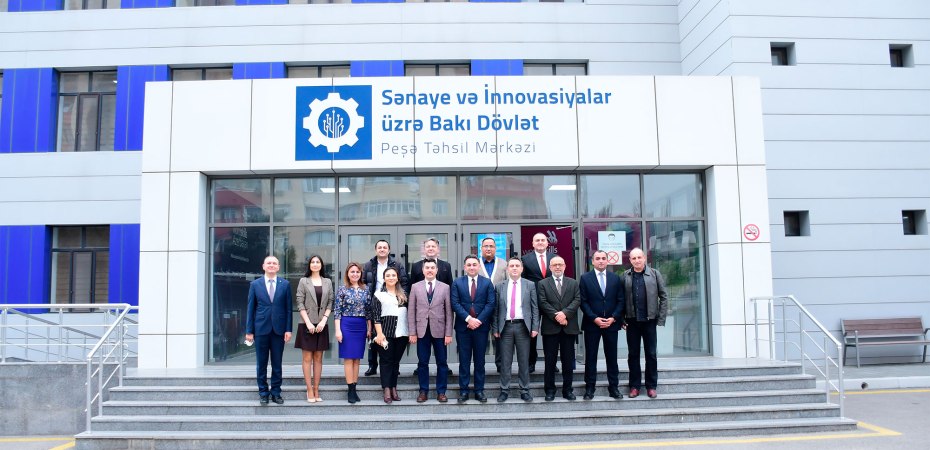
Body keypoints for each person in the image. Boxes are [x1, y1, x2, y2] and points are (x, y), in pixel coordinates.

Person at [245, 256, 293, 406]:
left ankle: (276, 393)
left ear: (278, 267)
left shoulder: (285, 284)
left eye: (274, 263)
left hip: (279, 330)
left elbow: (288, 309)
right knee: (262, 363)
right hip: (260, 329)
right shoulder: (255, 284)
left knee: (277, 364)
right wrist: (249, 331)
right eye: (269, 263)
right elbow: (250, 309)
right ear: (263, 266)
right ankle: (263, 393)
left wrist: (288, 329)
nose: (271, 265)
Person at [621, 247, 669, 399]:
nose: (637, 260)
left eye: (639, 257)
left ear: (644, 258)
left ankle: (651, 386)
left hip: (649, 321)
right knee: (633, 355)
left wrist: (660, 318)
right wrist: (621, 318)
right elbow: (620, 299)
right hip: (632, 322)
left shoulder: (654, 274)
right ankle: (634, 386)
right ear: (630, 260)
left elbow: (664, 296)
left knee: (651, 354)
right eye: (633, 258)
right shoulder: (625, 276)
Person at [579, 250, 625, 400]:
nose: (600, 261)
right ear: (593, 261)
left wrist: (614, 318)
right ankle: (589, 388)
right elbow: (583, 302)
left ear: (607, 261)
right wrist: (594, 318)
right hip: (592, 324)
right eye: (597, 258)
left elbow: (621, 300)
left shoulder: (615, 278)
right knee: (591, 357)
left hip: (611, 324)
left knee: (612, 357)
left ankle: (614, 387)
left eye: (603, 258)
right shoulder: (585, 278)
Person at [450, 255, 497, 403]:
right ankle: (464, 391)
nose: (471, 267)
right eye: (469, 265)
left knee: (480, 361)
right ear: (465, 267)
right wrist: (469, 319)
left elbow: (490, 303)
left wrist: (478, 320)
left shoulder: (487, 283)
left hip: (481, 328)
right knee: (464, 360)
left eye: (474, 264)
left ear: (479, 266)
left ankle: (479, 390)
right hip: (463, 328)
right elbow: (455, 303)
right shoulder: (457, 282)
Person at [492, 258, 539, 402]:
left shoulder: (529, 285)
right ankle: (504, 390)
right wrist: (495, 328)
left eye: (517, 266)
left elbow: (535, 308)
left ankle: (524, 390)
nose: (514, 268)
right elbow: (496, 310)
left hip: (523, 327)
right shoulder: (499, 286)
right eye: (511, 266)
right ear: (507, 269)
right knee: (505, 361)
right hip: (505, 327)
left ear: (521, 269)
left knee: (524, 361)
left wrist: (535, 327)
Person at [407, 258, 453, 403]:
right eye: (427, 268)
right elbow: (411, 311)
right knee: (422, 362)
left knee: (442, 362)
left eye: (432, 268)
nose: (430, 270)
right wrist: (412, 332)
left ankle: (441, 392)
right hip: (421, 330)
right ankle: (423, 391)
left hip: (440, 330)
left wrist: (448, 333)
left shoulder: (445, 287)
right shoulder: (415, 287)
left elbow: (449, 312)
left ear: (437, 270)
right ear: (423, 270)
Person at [536, 255, 581, 401]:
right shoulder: (542, 284)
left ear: (565, 266)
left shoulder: (573, 283)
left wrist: (564, 314)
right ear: (550, 267)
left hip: (569, 327)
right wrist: (557, 316)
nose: (557, 267)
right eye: (554, 265)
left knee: (568, 361)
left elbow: (577, 300)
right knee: (550, 361)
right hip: (551, 327)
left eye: (560, 264)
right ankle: (550, 390)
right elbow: (542, 302)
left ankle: (568, 390)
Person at [362, 240, 409, 377]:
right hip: (376, 301)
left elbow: (404, 282)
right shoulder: (369, 265)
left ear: (389, 250)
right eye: (379, 247)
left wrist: (401, 297)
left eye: (384, 247)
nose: (382, 249)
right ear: (376, 250)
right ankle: (372, 365)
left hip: (392, 301)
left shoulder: (397, 265)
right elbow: (364, 283)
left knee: (393, 335)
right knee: (375, 334)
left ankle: (394, 366)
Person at [294, 255, 333, 403]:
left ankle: (316, 388)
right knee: (307, 358)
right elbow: (299, 303)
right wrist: (309, 323)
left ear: (321, 265)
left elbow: (330, 302)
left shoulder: (327, 282)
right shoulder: (303, 281)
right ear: (309, 265)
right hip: (306, 324)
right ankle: (309, 389)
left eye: (318, 262)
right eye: (313, 262)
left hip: (322, 324)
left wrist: (324, 320)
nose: (315, 264)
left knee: (318, 358)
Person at [334, 262, 371, 404]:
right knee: (348, 358)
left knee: (357, 359)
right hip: (346, 324)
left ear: (361, 274)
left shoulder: (366, 289)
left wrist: (369, 328)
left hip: (361, 325)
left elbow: (368, 311)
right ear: (347, 274)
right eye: (352, 272)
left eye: (357, 272)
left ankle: (355, 387)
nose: (355, 274)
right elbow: (337, 311)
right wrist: (338, 330)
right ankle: (350, 389)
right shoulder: (342, 289)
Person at [371, 267, 410, 404]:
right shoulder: (378, 295)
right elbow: (376, 316)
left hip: (402, 334)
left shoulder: (403, 295)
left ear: (397, 278)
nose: (391, 277)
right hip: (385, 334)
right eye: (388, 275)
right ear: (384, 278)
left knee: (395, 362)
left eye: (394, 275)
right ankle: (387, 389)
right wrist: (379, 334)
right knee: (386, 361)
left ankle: (394, 387)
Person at [521, 232, 554, 372]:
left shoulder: (555, 258)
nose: (540, 242)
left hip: (551, 301)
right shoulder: (525, 259)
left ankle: (551, 362)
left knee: (551, 333)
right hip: (532, 301)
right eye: (537, 240)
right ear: (533, 244)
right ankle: (531, 362)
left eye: (542, 240)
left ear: (547, 243)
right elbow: (522, 282)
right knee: (531, 333)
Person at [478, 236, 508, 373]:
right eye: (486, 246)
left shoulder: (504, 264)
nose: (488, 248)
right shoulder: (476, 264)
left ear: (495, 248)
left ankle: (500, 365)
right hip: (481, 308)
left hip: (499, 307)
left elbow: (507, 285)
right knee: (482, 338)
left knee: (499, 337)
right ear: (481, 248)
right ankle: (480, 366)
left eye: (491, 246)